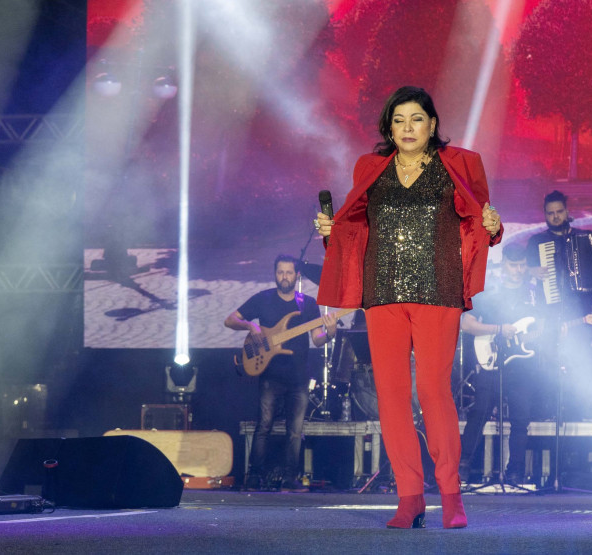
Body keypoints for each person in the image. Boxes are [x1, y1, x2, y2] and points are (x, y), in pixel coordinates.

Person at [314, 86, 502, 529]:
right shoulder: (370, 168)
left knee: (433, 393)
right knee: (393, 398)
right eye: (398, 120)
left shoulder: (459, 164)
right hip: (382, 295)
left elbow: (481, 219)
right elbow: (352, 227)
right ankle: (410, 497)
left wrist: (494, 226)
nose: (408, 128)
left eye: (416, 119)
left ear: (432, 124)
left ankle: (451, 497)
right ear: (388, 127)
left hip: (438, 291)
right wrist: (330, 228)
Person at [224, 254, 338, 492]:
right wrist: (249, 325)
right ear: (275, 274)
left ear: (297, 276)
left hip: (298, 377)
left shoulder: (307, 303)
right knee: (263, 427)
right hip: (270, 375)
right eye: (280, 272)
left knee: (295, 432)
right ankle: (254, 477)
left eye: (288, 273)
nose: (284, 277)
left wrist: (329, 333)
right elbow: (229, 320)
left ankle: (290, 479)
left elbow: (317, 339)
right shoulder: (263, 299)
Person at [525, 190, 592, 420]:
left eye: (559, 212)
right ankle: (545, 417)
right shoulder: (537, 243)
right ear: (545, 215)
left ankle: (578, 420)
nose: (555, 217)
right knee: (548, 371)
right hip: (551, 315)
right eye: (550, 213)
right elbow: (522, 284)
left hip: (581, 317)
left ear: (567, 212)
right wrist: (531, 272)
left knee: (580, 370)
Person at [459, 243, 541, 486]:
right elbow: (467, 324)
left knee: (520, 418)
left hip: (521, 365)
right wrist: (499, 330)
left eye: (522, 265)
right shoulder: (489, 292)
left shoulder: (533, 294)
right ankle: (462, 468)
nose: (517, 270)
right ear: (503, 264)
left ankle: (515, 472)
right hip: (491, 362)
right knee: (479, 412)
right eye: (513, 265)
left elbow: (540, 328)